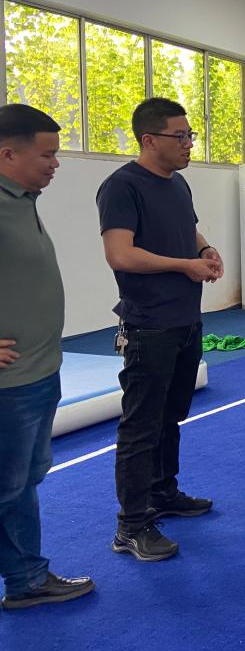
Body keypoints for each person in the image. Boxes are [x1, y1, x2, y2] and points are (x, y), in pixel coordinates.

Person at [96, 98, 222, 562]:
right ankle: (130, 526)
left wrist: (204, 250)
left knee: (171, 416)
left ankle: (163, 492)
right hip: (148, 326)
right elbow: (120, 254)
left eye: (190, 135)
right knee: (141, 426)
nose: (189, 144)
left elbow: (190, 230)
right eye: (180, 136)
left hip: (186, 320)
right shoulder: (121, 187)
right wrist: (184, 266)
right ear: (149, 140)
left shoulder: (178, 183)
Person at [0, 104, 94, 609]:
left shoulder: (23, 199)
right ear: (8, 155)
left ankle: (26, 579)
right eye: (48, 155)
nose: (56, 163)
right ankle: (27, 580)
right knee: (9, 487)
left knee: (24, 482)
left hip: (40, 372)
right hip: (10, 384)